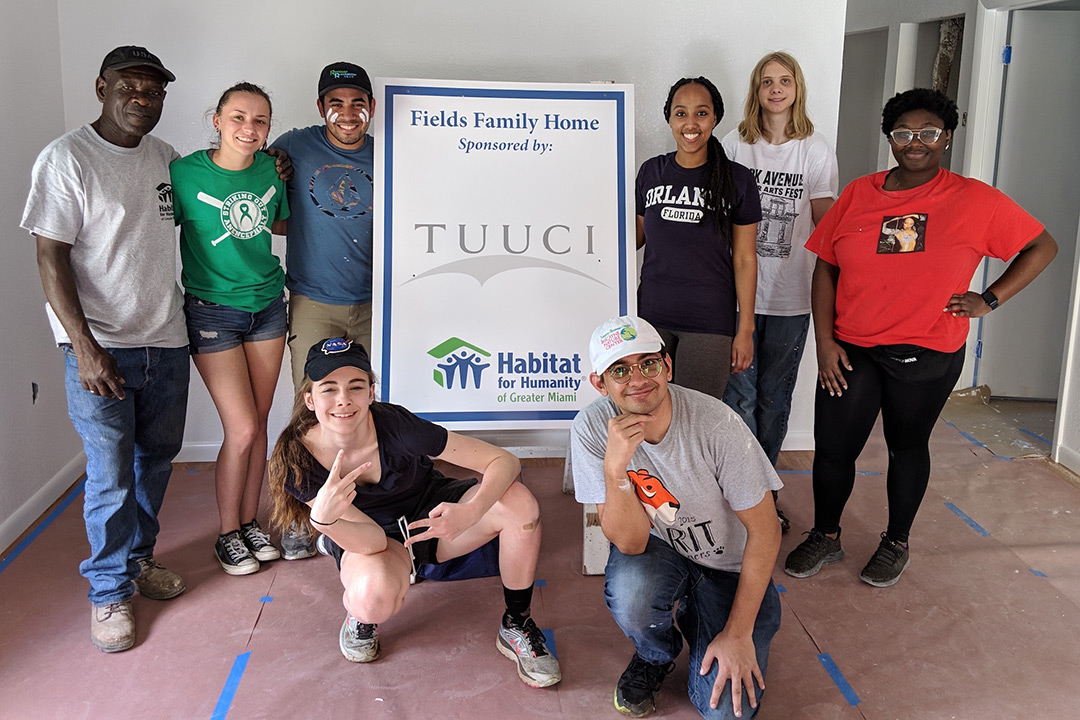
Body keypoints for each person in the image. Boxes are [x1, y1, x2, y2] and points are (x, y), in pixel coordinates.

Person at [784, 88, 1057, 588]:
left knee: (906, 446)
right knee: (834, 448)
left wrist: (989, 299)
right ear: (889, 137)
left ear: (946, 138)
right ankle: (825, 535)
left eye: (928, 132)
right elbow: (826, 269)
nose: (915, 142)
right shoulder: (858, 194)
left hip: (928, 350)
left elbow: (1042, 245)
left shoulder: (975, 199)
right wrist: (824, 342)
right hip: (852, 348)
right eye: (903, 132)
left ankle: (896, 541)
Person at [267, 338, 561, 688]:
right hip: (371, 540)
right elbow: (374, 539)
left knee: (519, 503)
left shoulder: (397, 426)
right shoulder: (295, 459)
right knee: (371, 598)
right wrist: (323, 522)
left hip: (428, 517)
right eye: (329, 389)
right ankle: (358, 609)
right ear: (310, 400)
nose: (343, 399)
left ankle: (517, 623)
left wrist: (471, 511)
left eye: (355, 387)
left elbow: (504, 461)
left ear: (371, 392)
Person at [22, 46, 189, 652]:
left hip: (166, 340)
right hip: (101, 347)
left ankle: (138, 560)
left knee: (156, 459)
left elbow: (222, 196)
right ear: (102, 87)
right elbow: (49, 254)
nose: (144, 98)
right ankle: (109, 592)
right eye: (131, 87)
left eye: (155, 90)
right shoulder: (68, 158)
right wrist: (84, 347)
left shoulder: (167, 159)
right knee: (110, 473)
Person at [571, 316, 782, 719]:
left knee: (725, 712)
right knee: (632, 592)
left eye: (648, 363)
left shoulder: (717, 425)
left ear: (667, 365)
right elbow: (630, 543)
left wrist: (737, 633)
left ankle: (715, 619)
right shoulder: (592, 429)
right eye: (620, 370)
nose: (638, 379)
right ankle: (655, 654)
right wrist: (615, 471)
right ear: (600, 384)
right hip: (663, 552)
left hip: (728, 568)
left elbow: (766, 531)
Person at [170, 82, 290, 576]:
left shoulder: (272, 169)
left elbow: (279, 224)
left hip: (267, 307)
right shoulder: (182, 173)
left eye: (260, 120)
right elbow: (156, 230)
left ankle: (249, 523)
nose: (249, 128)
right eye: (238, 117)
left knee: (259, 424)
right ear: (216, 120)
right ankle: (226, 534)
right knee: (239, 428)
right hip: (212, 310)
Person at [719, 51, 839, 533]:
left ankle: (764, 495)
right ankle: (737, 492)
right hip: (735, 297)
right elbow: (716, 215)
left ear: (796, 88)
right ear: (756, 89)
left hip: (791, 297)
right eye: (767, 81)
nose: (775, 89)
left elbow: (828, 219)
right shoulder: (733, 144)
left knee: (774, 401)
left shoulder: (814, 148)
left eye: (784, 81)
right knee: (738, 401)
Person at [269, 62, 376, 560]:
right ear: (321, 109)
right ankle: (299, 515)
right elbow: (274, 213)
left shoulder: (392, 152)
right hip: (314, 297)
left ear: (371, 108)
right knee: (309, 406)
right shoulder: (294, 146)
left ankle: (363, 502)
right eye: (336, 102)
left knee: (370, 406)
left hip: (379, 301)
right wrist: (271, 165)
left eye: (358, 102)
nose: (347, 113)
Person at [636, 77, 761, 401]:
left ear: (715, 118)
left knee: (696, 420)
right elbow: (632, 240)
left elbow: (745, 259)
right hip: (650, 316)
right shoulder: (651, 172)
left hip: (708, 322)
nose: (690, 123)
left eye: (701, 113)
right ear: (669, 119)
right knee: (646, 414)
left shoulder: (737, 179)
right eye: (681, 113)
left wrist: (745, 328)